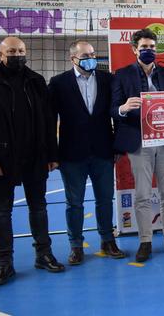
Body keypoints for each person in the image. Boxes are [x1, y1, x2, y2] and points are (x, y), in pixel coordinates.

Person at [0, 36, 65, 286]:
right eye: (11, 51)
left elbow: (48, 119)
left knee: (39, 208)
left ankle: (43, 254)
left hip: (35, 157)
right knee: (1, 212)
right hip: (1, 160)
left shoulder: (36, 81)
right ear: (0, 54)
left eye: (21, 51)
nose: (17, 55)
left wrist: (52, 154)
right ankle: (4, 263)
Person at [110, 28, 164, 262]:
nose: (148, 51)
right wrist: (124, 108)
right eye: (144, 47)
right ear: (134, 50)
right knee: (143, 194)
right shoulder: (121, 75)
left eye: (152, 48)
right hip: (139, 142)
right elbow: (113, 109)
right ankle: (145, 241)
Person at [49, 40, 126, 265]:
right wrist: (52, 154)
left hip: (103, 150)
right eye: (85, 55)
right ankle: (76, 245)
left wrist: (118, 145)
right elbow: (49, 120)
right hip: (72, 154)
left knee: (105, 199)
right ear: (73, 58)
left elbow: (116, 114)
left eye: (93, 54)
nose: (91, 58)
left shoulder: (107, 79)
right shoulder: (58, 83)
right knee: (74, 203)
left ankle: (107, 240)